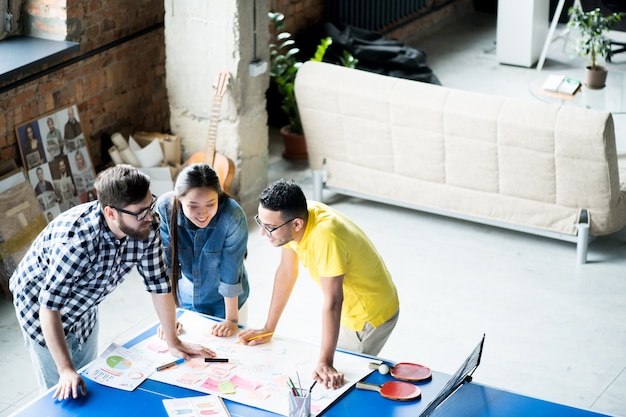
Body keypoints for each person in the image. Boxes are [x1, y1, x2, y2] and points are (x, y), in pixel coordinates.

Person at [9, 164, 216, 402]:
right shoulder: (76, 243)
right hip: (38, 307)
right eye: (139, 212)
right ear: (110, 213)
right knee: (63, 391)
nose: (149, 216)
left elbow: (159, 285)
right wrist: (65, 370)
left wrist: (173, 340)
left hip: (86, 301)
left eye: (150, 205)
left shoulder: (147, 225)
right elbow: (49, 307)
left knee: (86, 381)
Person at [238, 179, 399, 390]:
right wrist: (269, 328)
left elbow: (333, 301)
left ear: (297, 224)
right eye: (261, 223)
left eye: (269, 228)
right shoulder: (296, 221)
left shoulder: (325, 236)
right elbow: (287, 271)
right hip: (349, 309)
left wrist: (325, 362)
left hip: (367, 316)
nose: (262, 233)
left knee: (334, 384)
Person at [156, 163, 249, 337]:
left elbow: (230, 270)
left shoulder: (232, 216)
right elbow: (165, 269)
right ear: (179, 199)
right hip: (185, 300)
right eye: (193, 206)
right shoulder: (165, 209)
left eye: (210, 204)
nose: (203, 213)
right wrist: (168, 317)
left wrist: (231, 320)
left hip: (228, 304)